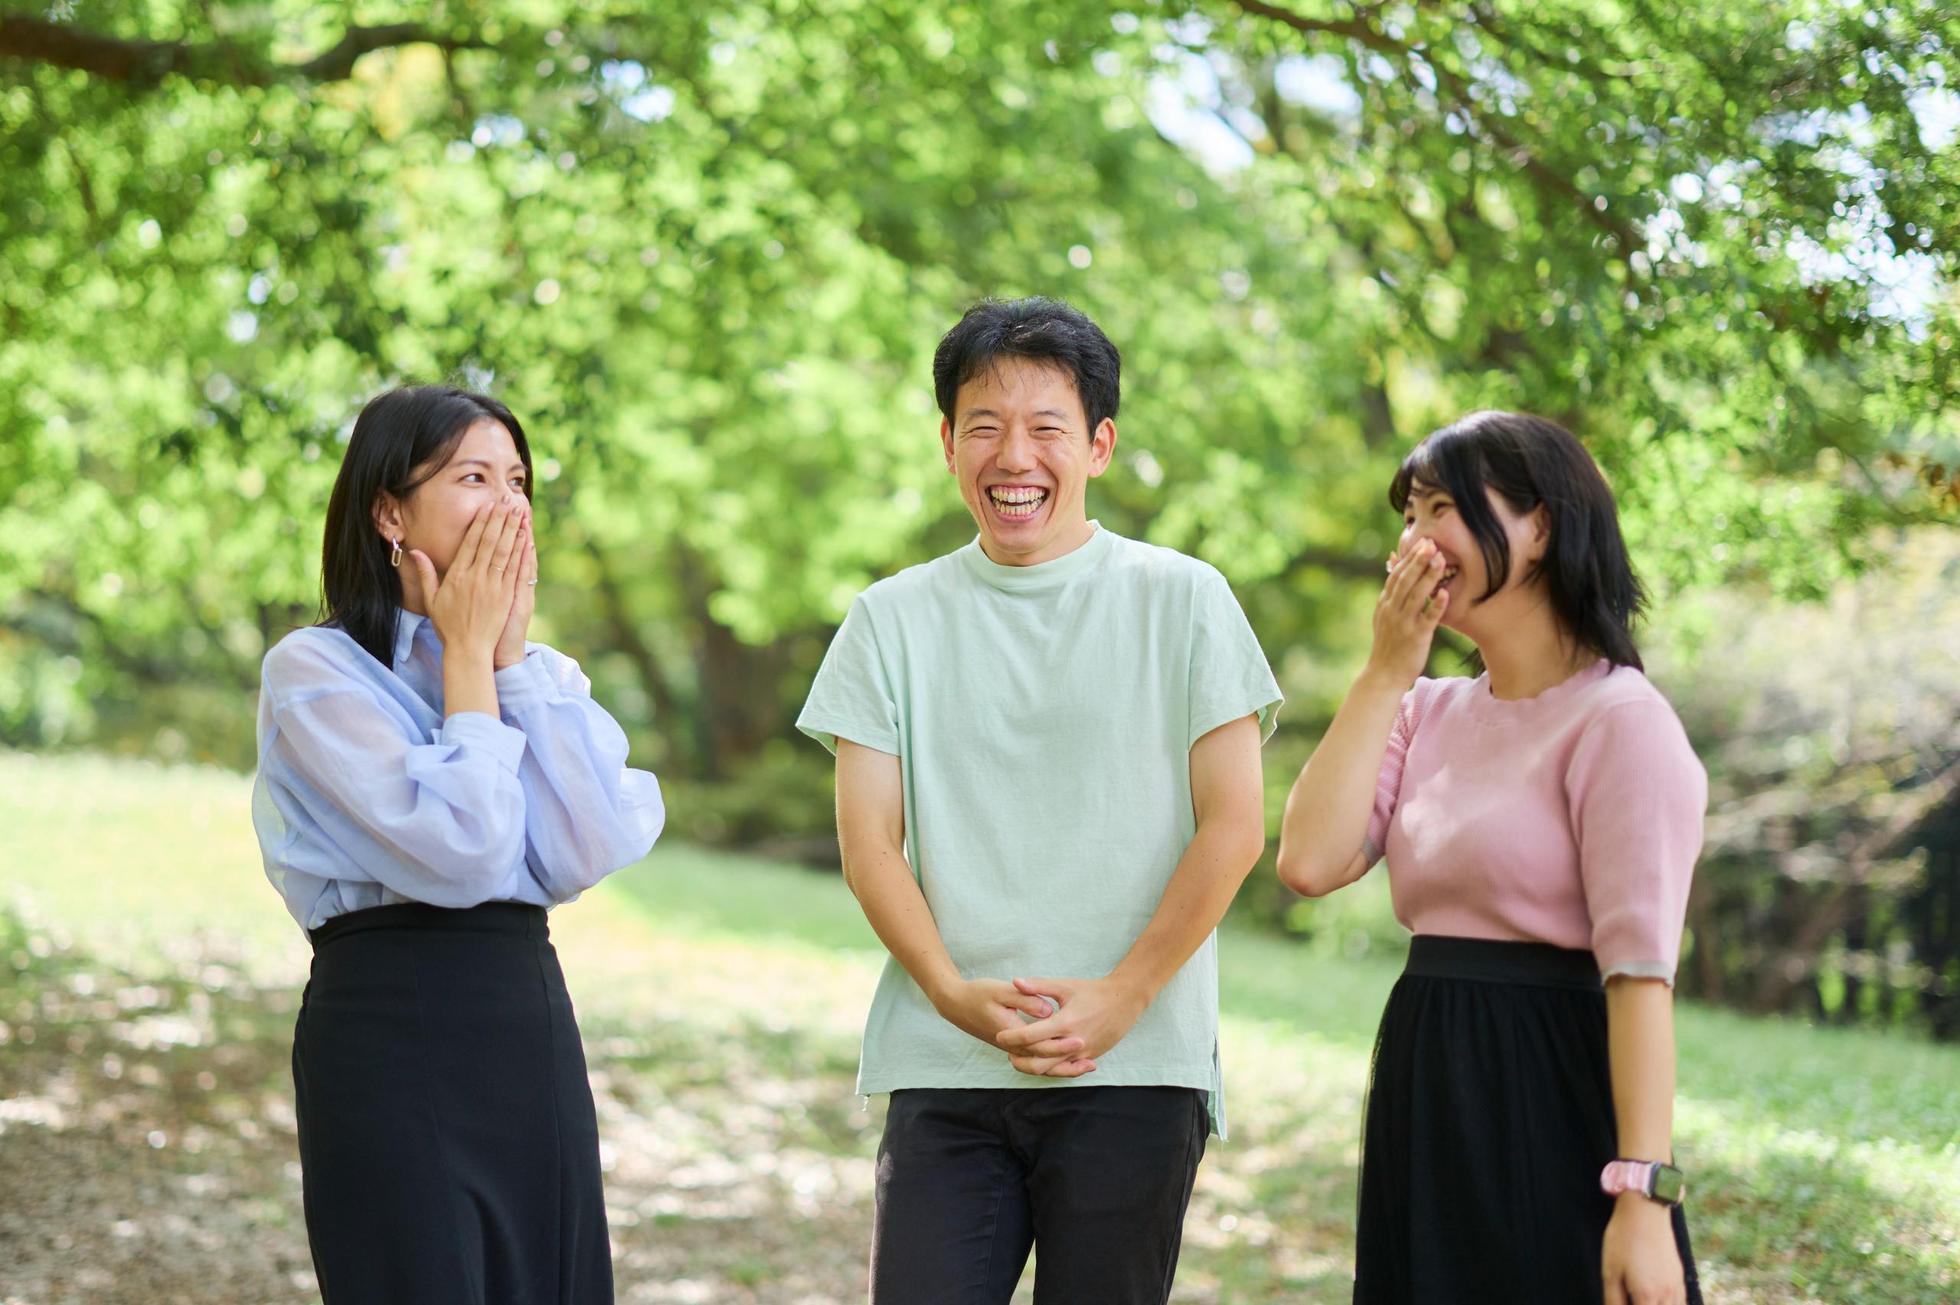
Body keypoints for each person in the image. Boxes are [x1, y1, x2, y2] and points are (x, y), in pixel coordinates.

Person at [797, 297, 1282, 1304]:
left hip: (1135, 1067)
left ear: (1099, 445)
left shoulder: (1185, 599)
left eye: (1046, 427)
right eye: (984, 426)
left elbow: (1234, 826)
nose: (1013, 456)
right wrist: (947, 992)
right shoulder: (889, 619)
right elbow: (870, 843)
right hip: (944, 1064)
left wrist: (1126, 995)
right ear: (947, 443)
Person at [1277, 410, 1705, 1305]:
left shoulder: (1621, 721)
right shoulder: (1423, 710)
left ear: (1539, 527)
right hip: (1430, 1082)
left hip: (1551, 1085)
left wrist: (1643, 1196)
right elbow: (1309, 862)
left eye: (1442, 509)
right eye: (1408, 516)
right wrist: (1385, 671)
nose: (1415, 541)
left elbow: (1640, 977)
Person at [251, 385, 664, 1303]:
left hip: (524, 1018)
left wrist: (504, 663)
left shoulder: (540, 673)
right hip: (386, 1024)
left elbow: (585, 848)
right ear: (389, 512)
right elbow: (466, 854)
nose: (508, 504)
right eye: (474, 477)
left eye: (518, 481)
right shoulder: (315, 671)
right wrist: (467, 657)